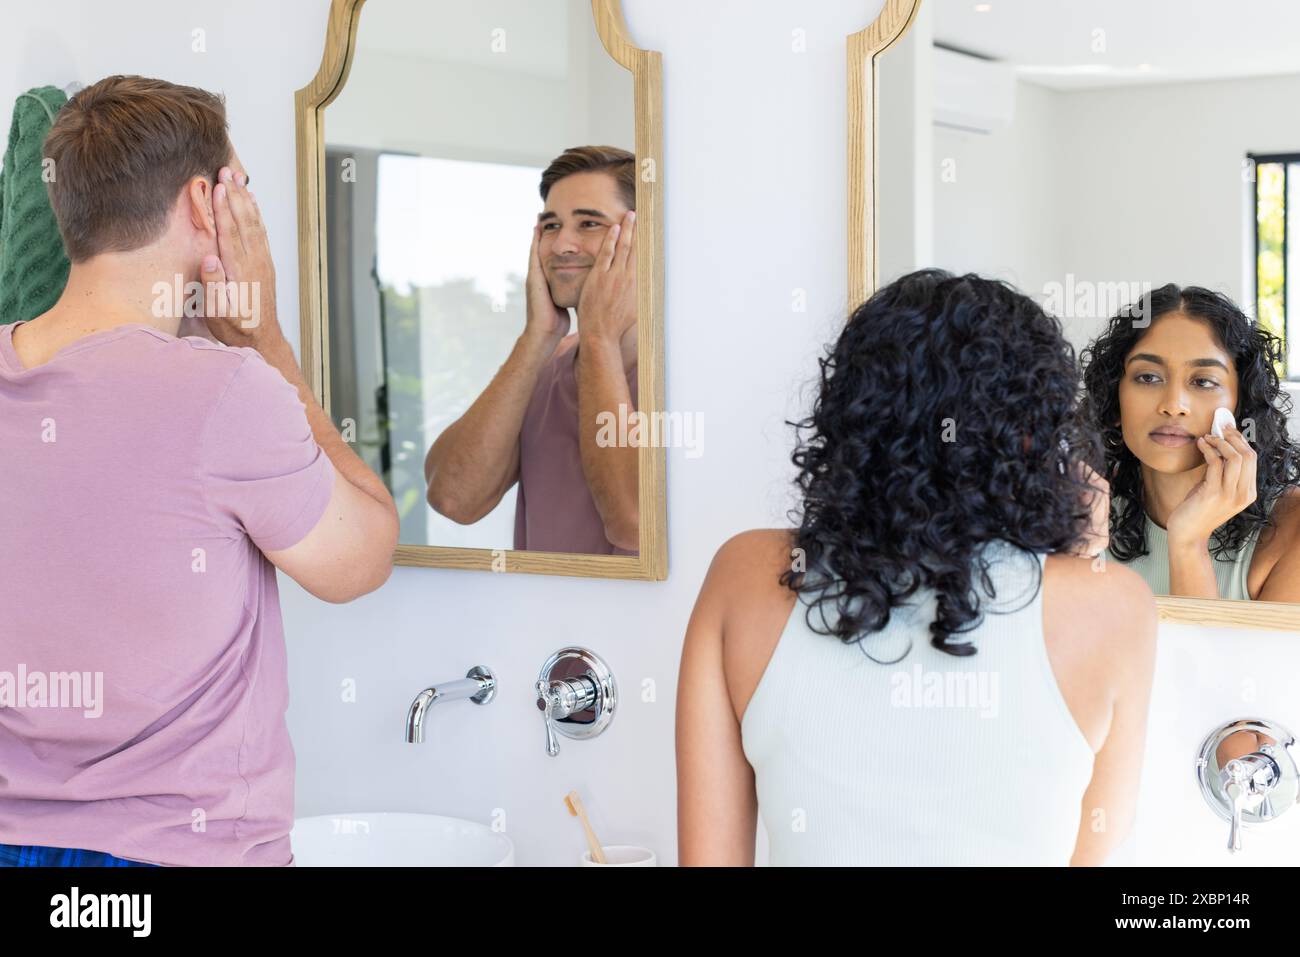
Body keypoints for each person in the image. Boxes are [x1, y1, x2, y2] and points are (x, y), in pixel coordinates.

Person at [0, 75, 398, 866]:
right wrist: (267, 342)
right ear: (199, 205)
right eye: (238, 189)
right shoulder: (226, 392)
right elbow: (366, 554)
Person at [677, 269, 1158, 866]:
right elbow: (1091, 854)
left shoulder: (743, 574)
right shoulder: (1115, 607)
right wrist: (1078, 558)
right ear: (1034, 435)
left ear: (849, 418)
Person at [424, 146, 640, 555]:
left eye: (589, 223)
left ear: (639, 239)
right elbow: (454, 498)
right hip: (540, 617)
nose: (562, 246)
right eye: (551, 226)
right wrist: (537, 337)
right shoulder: (544, 367)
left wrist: (597, 336)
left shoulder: (683, 371)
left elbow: (633, 525)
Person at [1081, 284, 1300, 601]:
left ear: (1241, 407)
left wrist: (1189, 544)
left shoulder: (1291, 527)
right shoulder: (1081, 510)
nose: (1173, 404)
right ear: (1115, 401)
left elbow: (1201, 653)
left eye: (1203, 381)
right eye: (1148, 377)